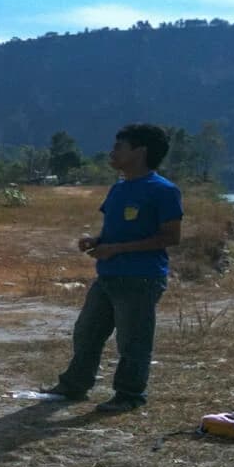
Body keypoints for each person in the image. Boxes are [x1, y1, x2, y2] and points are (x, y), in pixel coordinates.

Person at [43, 123, 182, 413]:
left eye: (119, 147)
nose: (112, 152)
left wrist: (117, 249)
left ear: (140, 152)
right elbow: (114, 229)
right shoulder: (119, 188)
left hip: (141, 278)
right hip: (109, 275)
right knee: (87, 332)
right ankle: (74, 385)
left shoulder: (164, 191)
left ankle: (129, 395)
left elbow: (171, 236)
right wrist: (96, 240)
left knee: (133, 341)